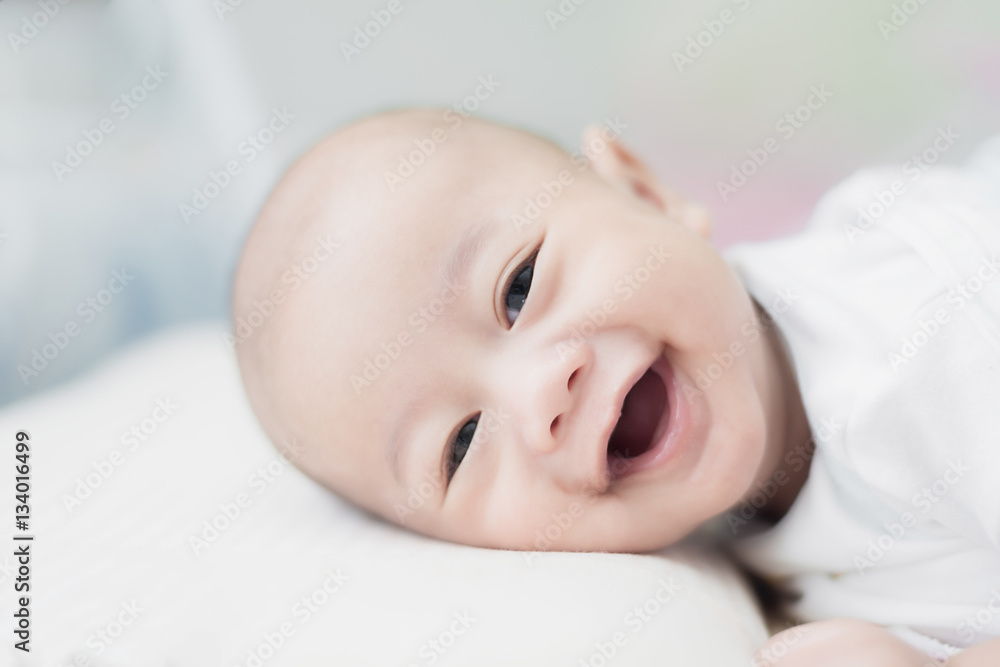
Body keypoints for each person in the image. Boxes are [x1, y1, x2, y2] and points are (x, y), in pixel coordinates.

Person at [232, 108, 1000, 666]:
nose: (541, 394)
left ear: (643, 189)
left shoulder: (931, 333)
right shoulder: (728, 542)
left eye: (518, 285)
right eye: (461, 444)